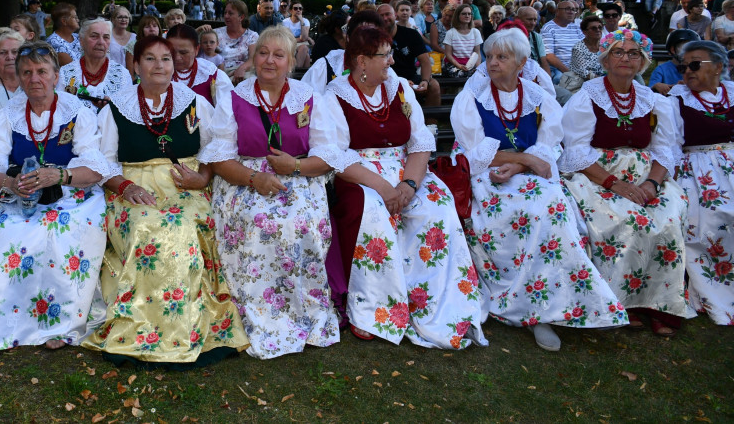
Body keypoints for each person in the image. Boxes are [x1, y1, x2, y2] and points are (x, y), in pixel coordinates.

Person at [451, 29, 627, 351]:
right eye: (489, 56)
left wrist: (522, 164)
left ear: (521, 62)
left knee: (551, 208)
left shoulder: (537, 95)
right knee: (523, 213)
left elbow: (549, 146)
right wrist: (524, 159)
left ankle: (552, 306)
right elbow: (472, 153)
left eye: (501, 57)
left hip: (528, 173)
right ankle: (530, 307)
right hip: (488, 177)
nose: (492, 62)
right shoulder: (472, 97)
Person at [84, 36, 250, 365]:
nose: (159, 66)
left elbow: (214, 149)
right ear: (135, 65)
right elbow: (101, 160)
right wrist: (124, 186)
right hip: (132, 184)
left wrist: (202, 178)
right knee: (147, 227)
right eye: (150, 59)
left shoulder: (194, 102)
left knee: (186, 228)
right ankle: (146, 326)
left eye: (165, 59)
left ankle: (186, 326)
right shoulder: (115, 106)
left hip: (183, 182)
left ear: (174, 66)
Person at [320, 27, 486, 348]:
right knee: (373, 216)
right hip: (360, 175)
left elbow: (420, 139)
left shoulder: (398, 88)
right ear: (362, 61)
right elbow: (336, 156)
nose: (392, 61)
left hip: (404, 167)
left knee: (438, 207)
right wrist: (383, 187)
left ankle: (433, 298)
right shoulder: (335, 95)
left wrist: (409, 183)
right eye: (385, 55)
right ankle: (378, 308)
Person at [0, 43, 111, 351]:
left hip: (72, 194)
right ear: (20, 79)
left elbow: (94, 169)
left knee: (60, 232)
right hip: (19, 192)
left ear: (55, 76)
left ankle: (61, 324)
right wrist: (11, 182)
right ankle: (7, 323)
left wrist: (61, 176)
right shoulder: (7, 116)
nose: (34, 78)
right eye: (27, 72)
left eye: (41, 71)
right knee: (8, 231)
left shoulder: (77, 111)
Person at [202, 27, 340, 358]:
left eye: (279, 55)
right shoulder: (234, 97)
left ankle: (302, 311)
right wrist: (254, 179)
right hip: (244, 179)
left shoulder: (308, 97)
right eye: (263, 52)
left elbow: (327, 157)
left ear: (291, 62)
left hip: (299, 176)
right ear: (253, 57)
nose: (269, 60)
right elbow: (220, 158)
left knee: (299, 224)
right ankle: (257, 312)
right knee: (256, 221)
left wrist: (294, 167)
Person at [558, 29, 693, 336]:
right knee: (623, 220)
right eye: (618, 52)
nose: (625, 58)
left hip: (646, 175)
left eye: (633, 53)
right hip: (596, 173)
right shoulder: (587, 97)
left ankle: (660, 304)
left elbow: (664, 149)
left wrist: (653, 185)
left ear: (642, 62)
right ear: (605, 59)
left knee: (667, 219)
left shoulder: (653, 100)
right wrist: (613, 183)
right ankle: (623, 302)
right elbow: (575, 150)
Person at [670, 40, 734, 324]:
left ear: (719, 67)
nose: (687, 72)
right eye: (683, 67)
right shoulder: (677, 99)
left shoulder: (732, 93)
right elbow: (670, 145)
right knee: (710, 219)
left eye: (695, 65)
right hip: (697, 169)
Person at [58, 18, 133, 112]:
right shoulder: (66, 73)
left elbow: (128, 112)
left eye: (106, 37)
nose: (101, 42)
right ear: (81, 41)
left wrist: (112, 110)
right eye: (94, 36)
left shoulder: (122, 75)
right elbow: (59, 111)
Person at [302, 11, 384, 93]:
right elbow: (306, 96)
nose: (370, 41)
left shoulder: (386, 72)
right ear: (348, 36)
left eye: (375, 36)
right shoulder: (328, 64)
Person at [380, 1, 441, 106]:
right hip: (383, 78)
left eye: (388, 14)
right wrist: (399, 82)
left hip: (410, 77)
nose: (385, 18)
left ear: (395, 15)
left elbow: (425, 62)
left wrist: (425, 81)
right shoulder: (373, 37)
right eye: (381, 16)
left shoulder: (411, 34)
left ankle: (431, 121)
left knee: (434, 85)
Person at [167, 24, 233, 106]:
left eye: (183, 52)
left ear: (196, 50)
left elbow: (226, 110)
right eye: (171, 52)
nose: (177, 57)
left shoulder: (210, 73)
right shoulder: (157, 73)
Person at [209, 0, 259, 82]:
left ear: (241, 17)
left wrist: (241, 69)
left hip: (242, 73)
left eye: (230, 13)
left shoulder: (251, 36)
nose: (226, 16)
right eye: (225, 13)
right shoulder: (215, 34)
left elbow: (253, 59)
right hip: (220, 72)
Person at [540, 1, 582, 83]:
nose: (571, 12)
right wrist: (570, 73)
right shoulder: (548, 28)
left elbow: (585, 48)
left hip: (579, 68)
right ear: (557, 11)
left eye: (573, 10)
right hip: (560, 69)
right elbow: (549, 56)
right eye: (567, 9)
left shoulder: (576, 28)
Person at [650, 29, 700, 95]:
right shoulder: (661, 70)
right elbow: (650, 91)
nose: (689, 52)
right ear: (673, 50)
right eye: (684, 48)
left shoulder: (698, 68)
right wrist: (656, 86)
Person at [443, 4, 483, 76]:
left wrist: (477, 68)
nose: (467, 16)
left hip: (470, 64)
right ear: (458, 16)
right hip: (454, 65)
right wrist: (459, 66)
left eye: (469, 14)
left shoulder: (475, 32)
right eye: (464, 14)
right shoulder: (450, 33)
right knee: (463, 74)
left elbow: (477, 53)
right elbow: (448, 54)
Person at [570, 15, 606, 82]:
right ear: (584, 32)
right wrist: (604, 81)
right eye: (593, 28)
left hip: (604, 79)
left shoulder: (605, 46)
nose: (598, 30)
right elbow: (584, 72)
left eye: (600, 27)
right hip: (584, 83)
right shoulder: (578, 48)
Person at [282, 0, 313, 70]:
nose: (298, 10)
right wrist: (303, 38)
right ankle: (300, 75)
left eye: (300, 8)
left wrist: (301, 21)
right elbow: (287, 39)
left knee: (304, 48)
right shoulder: (285, 22)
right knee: (307, 56)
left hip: (301, 44)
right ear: (291, 11)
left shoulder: (305, 21)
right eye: (295, 8)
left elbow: (304, 38)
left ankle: (295, 73)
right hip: (289, 45)